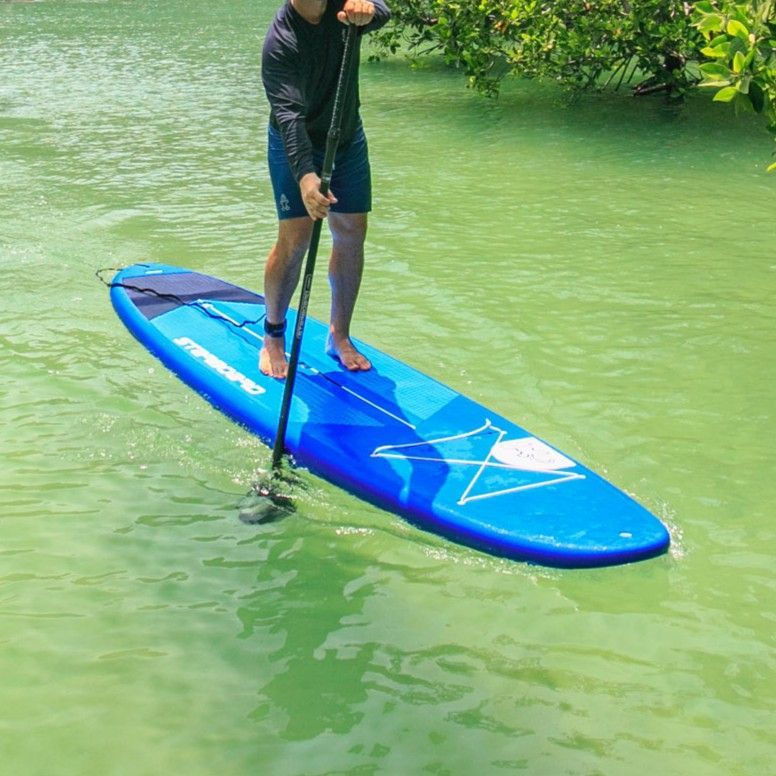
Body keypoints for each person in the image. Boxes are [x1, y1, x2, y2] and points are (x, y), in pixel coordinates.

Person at [260, 0, 391, 379]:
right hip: (294, 143)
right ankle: (273, 335)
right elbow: (288, 116)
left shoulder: (345, 10)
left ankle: (339, 335)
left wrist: (370, 12)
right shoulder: (280, 41)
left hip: (346, 138)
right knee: (296, 239)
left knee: (351, 233)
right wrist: (305, 177)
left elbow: (382, 9)